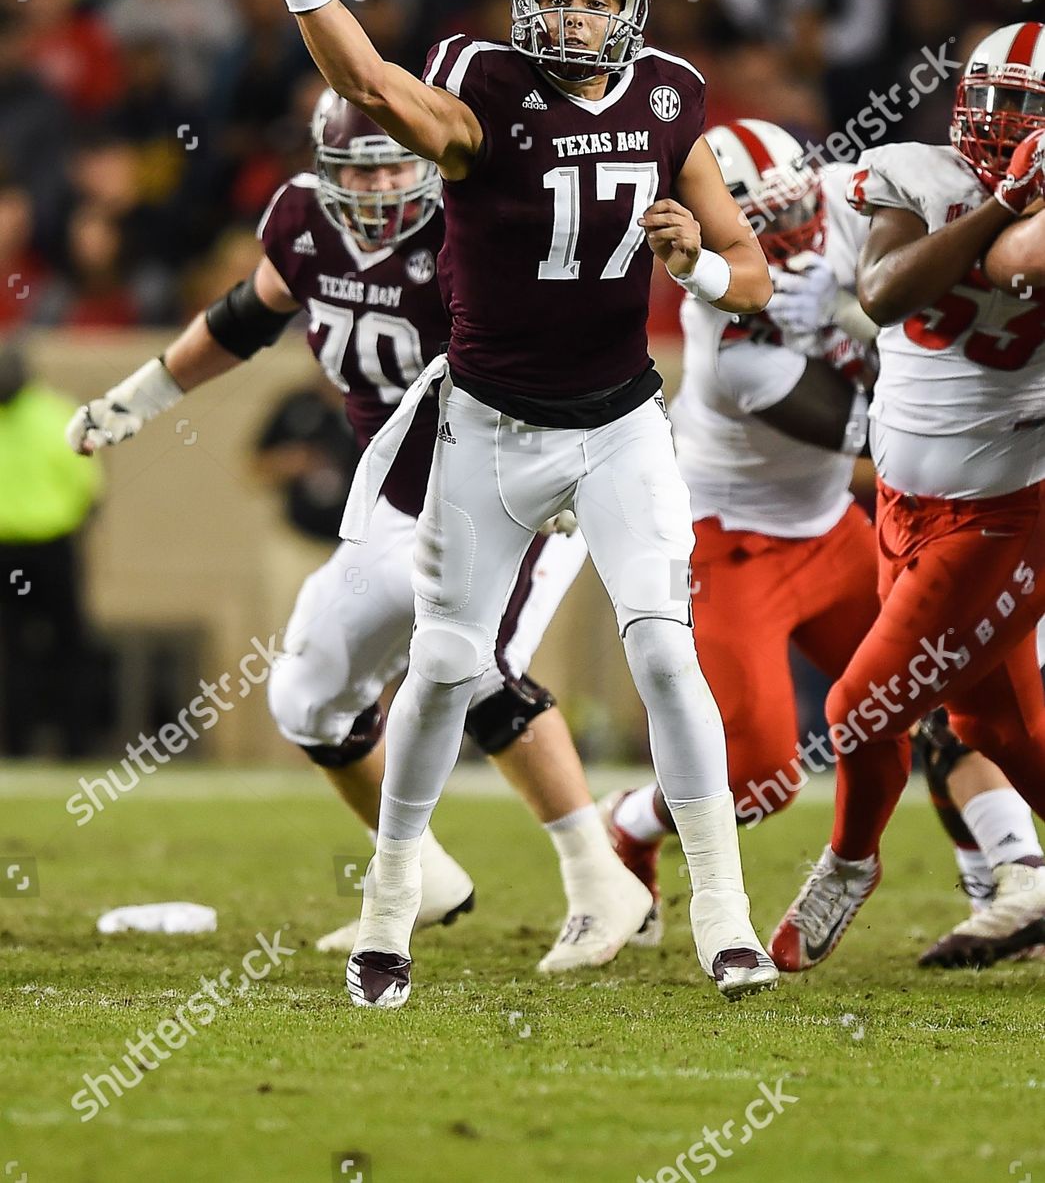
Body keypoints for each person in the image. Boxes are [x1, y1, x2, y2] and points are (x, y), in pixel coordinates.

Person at [221, 0, 780, 1009]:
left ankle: (724, 915)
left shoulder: (671, 96)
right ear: (527, 6)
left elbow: (753, 274)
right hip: (486, 422)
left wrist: (700, 272)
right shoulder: (481, 86)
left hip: (621, 422)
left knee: (665, 651)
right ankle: (388, 913)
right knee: (436, 670)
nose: (574, 14)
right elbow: (370, 85)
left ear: (629, 12)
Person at [66, 92, 651, 972]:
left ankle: (600, 879)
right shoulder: (303, 221)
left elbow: (562, 345)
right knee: (305, 696)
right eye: (359, 169)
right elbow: (247, 316)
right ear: (324, 173)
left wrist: (563, 452)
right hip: (398, 499)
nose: (378, 185)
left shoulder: (472, 229)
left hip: (516, 485)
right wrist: (146, 393)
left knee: (474, 666)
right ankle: (417, 877)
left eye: (392, 164)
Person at [601, 119, 1044, 966]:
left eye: (799, 207)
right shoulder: (732, 343)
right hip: (737, 542)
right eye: (767, 225)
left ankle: (1001, 877)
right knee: (761, 777)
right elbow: (873, 432)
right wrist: (857, 325)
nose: (800, 233)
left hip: (831, 531)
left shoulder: (861, 196)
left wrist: (853, 309)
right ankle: (628, 823)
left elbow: (910, 295)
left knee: (933, 700)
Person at [770, 20, 1045, 971]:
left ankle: (849, 862)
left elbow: (1015, 266)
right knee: (996, 728)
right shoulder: (921, 171)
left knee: (856, 706)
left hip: (1004, 512)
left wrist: (1014, 216)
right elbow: (883, 290)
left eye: (1026, 106)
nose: (1001, 116)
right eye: (991, 96)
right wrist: (1004, 198)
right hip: (899, 500)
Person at [0, 339, 101, 755]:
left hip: (30, 552)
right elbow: (90, 488)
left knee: (27, 647)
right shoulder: (60, 412)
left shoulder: (58, 414)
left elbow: (87, 485)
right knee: (56, 646)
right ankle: (65, 744)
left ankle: (34, 745)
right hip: (41, 549)